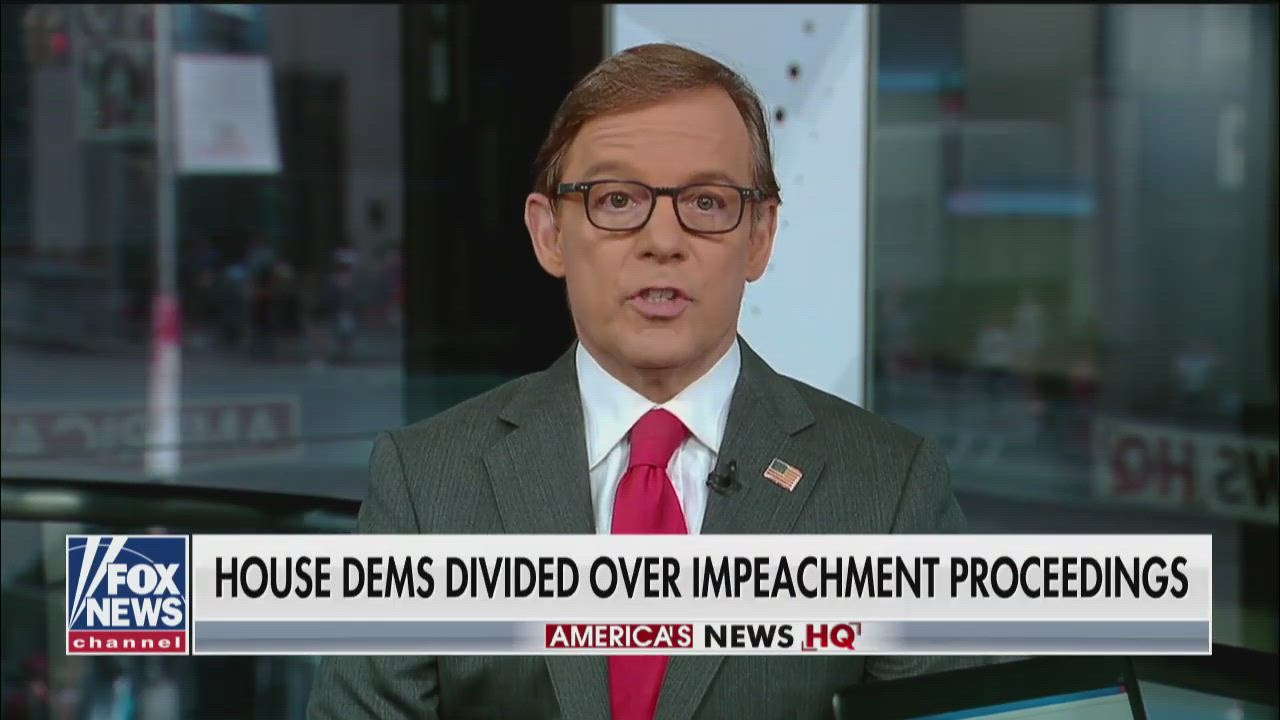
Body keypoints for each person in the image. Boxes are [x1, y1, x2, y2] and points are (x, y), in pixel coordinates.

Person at [309, 42, 974, 720]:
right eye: (618, 200)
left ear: (760, 235)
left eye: (707, 202)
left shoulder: (891, 491)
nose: (662, 241)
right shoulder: (425, 484)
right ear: (550, 234)